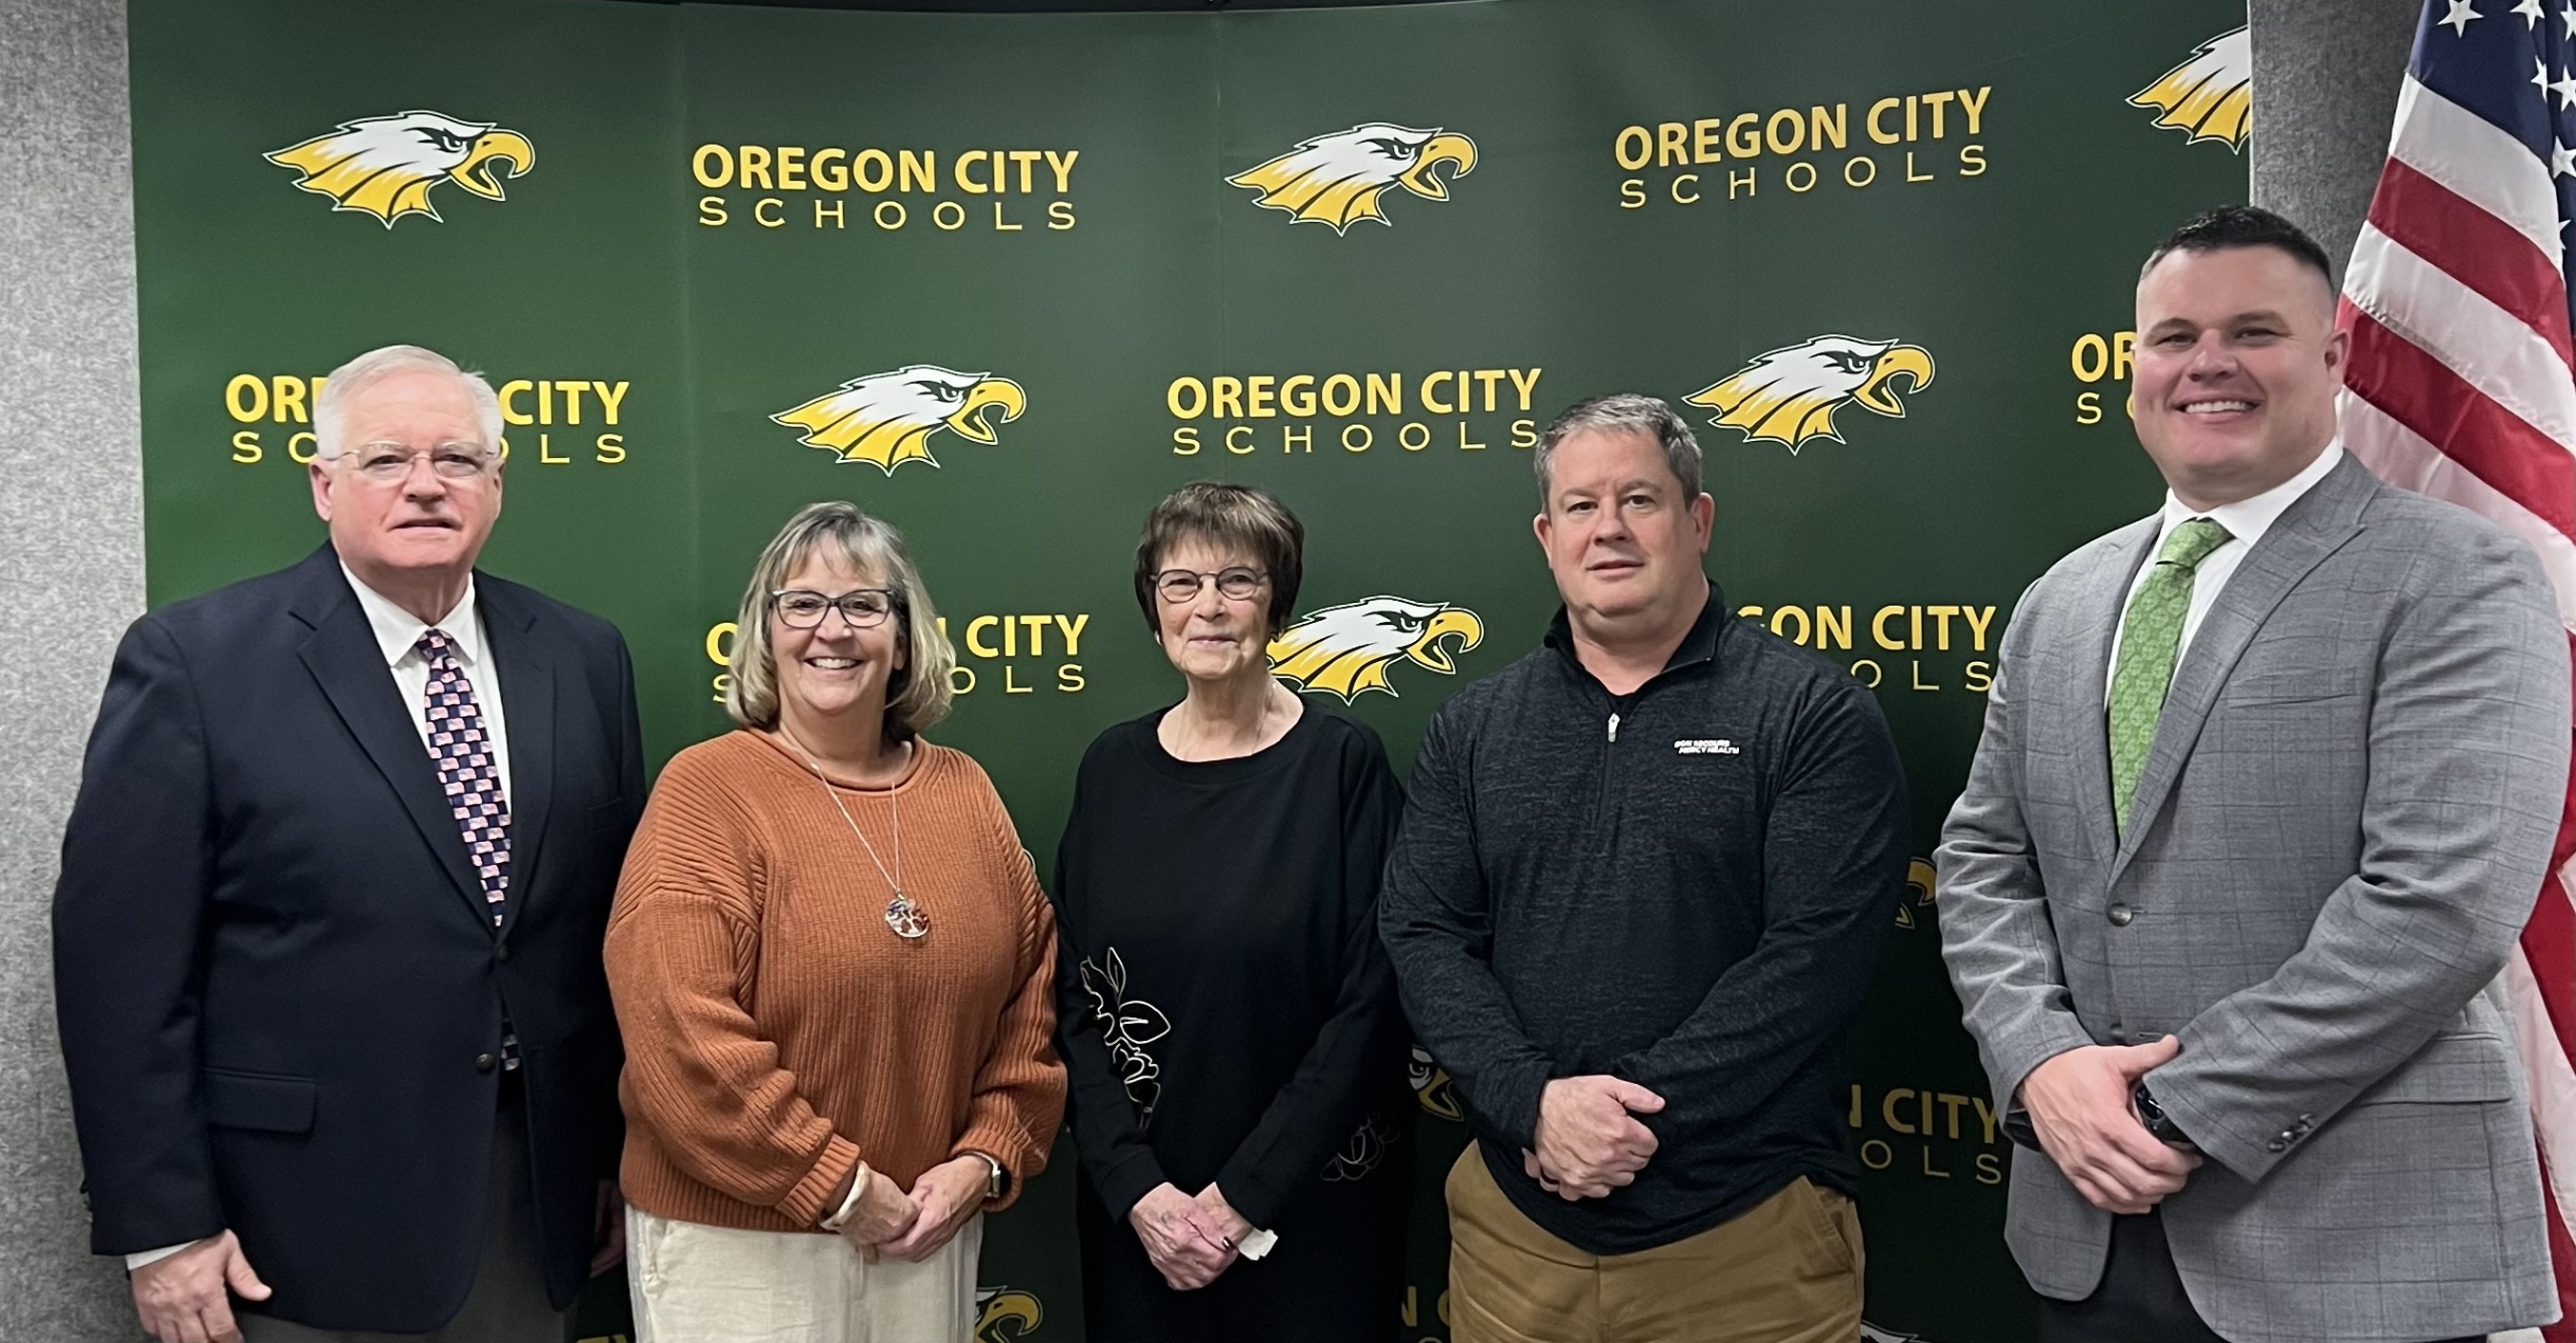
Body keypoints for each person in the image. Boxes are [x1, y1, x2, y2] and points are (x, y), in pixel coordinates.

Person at [1937, 205, 2568, 1343]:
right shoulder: (2059, 600)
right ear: (2132, 366)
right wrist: (2041, 1067)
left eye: (2252, 331)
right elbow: (1983, 860)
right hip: (2081, 1239)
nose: (2206, 364)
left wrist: (2161, 1109)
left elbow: (2439, 909)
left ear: (2331, 358)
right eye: (2172, 336)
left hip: (2350, 1255)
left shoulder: (2457, 579)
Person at [52, 344, 644, 1343]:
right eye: (385, 461)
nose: (424, 485)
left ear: (496, 485)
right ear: (324, 485)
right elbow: (119, 969)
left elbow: (607, 937)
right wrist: (163, 1229)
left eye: (456, 460)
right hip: (286, 1228)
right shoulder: (196, 664)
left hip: (525, 1207)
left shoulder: (582, 659)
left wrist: (608, 1157)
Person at [1380, 394, 1910, 1343]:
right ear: (1547, 536)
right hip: (1513, 1238)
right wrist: (1532, 1103)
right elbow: (1423, 935)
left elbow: (1812, 960)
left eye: (1639, 499)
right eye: (1580, 507)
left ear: (1696, 520)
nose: (1609, 529)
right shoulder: (1473, 727)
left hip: (1743, 1240)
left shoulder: (1810, 714)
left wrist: (1618, 1119)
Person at [605, 500, 1064, 1343]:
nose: (833, 630)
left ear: (902, 636)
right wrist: (837, 1185)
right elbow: (681, 1038)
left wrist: (986, 1156)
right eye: (802, 604)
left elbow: (1029, 1007)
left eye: (863, 605)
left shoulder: (966, 794)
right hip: (741, 1247)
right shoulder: (706, 793)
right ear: (764, 631)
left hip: (926, 1231)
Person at [1053, 482, 1413, 1343]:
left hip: (1311, 1214)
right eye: (1181, 584)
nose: (1207, 607)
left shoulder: (1343, 767)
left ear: (1275, 603)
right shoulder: (1110, 770)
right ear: (1154, 609)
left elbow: (1375, 1002)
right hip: (1143, 1224)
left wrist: (1239, 1200)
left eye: (1236, 582)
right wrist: (1135, 1188)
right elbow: (1066, 996)